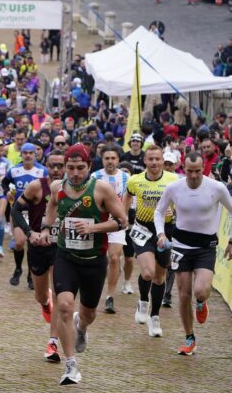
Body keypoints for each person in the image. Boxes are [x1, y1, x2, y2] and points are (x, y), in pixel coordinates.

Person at [39, 144, 128, 385]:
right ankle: (70, 367)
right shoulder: (57, 188)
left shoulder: (101, 189)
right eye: (71, 168)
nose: (76, 173)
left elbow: (122, 222)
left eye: (80, 168)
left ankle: (82, 326)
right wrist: (46, 229)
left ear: (89, 166)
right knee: (65, 306)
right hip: (66, 257)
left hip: (93, 261)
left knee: (88, 313)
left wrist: (93, 227)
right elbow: (51, 210)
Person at [155, 152, 232, 355]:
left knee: (200, 290)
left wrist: (231, 239)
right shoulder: (174, 187)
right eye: (190, 171)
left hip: (206, 246)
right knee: (183, 294)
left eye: (198, 171)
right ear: (183, 168)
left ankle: (201, 302)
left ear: (202, 169)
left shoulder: (216, 188)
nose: (194, 175)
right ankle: (189, 338)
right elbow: (159, 211)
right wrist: (161, 234)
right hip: (180, 246)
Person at [11, 149, 66, 363]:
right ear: (46, 165)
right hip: (38, 247)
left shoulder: (76, 189)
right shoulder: (37, 187)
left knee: (62, 295)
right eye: (52, 165)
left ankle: (53, 343)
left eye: (60, 165)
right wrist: (29, 233)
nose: (56, 169)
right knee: (41, 295)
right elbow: (16, 210)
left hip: (62, 248)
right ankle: (45, 305)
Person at [123, 145, 179, 338]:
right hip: (143, 229)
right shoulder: (135, 180)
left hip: (166, 230)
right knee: (148, 273)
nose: (154, 162)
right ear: (145, 161)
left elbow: (182, 201)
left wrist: (176, 211)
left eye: (157, 159)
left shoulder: (173, 180)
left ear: (163, 161)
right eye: (151, 159)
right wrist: (123, 216)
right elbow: (128, 195)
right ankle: (143, 300)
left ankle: (155, 317)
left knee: (160, 277)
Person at [3, 142, 48, 288]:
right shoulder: (14, 170)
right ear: (21, 155)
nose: (28, 155)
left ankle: (30, 275)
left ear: (36, 154)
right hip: (19, 211)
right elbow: (5, 182)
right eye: (25, 153)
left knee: (33, 244)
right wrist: (7, 192)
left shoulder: (43, 171)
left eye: (31, 153)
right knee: (19, 242)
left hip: (36, 212)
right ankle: (18, 269)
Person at [90, 146, 129, 314]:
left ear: (118, 160)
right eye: (107, 158)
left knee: (114, 258)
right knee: (97, 258)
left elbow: (129, 201)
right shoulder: (94, 177)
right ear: (102, 159)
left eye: (113, 158)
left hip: (117, 223)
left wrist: (123, 217)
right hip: (98, 223)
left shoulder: (127, 178)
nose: (110, 161)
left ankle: (110, 297)